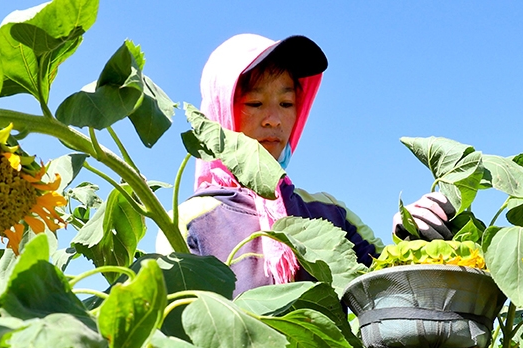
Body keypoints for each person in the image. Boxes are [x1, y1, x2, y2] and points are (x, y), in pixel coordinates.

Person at [159, 34, 453, 297]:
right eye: (255, 103)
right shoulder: (189, 221)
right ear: (220, 110)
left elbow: (387, 283)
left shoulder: (327, 213)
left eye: (286, 104)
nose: (273, 119)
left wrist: (410, 233)